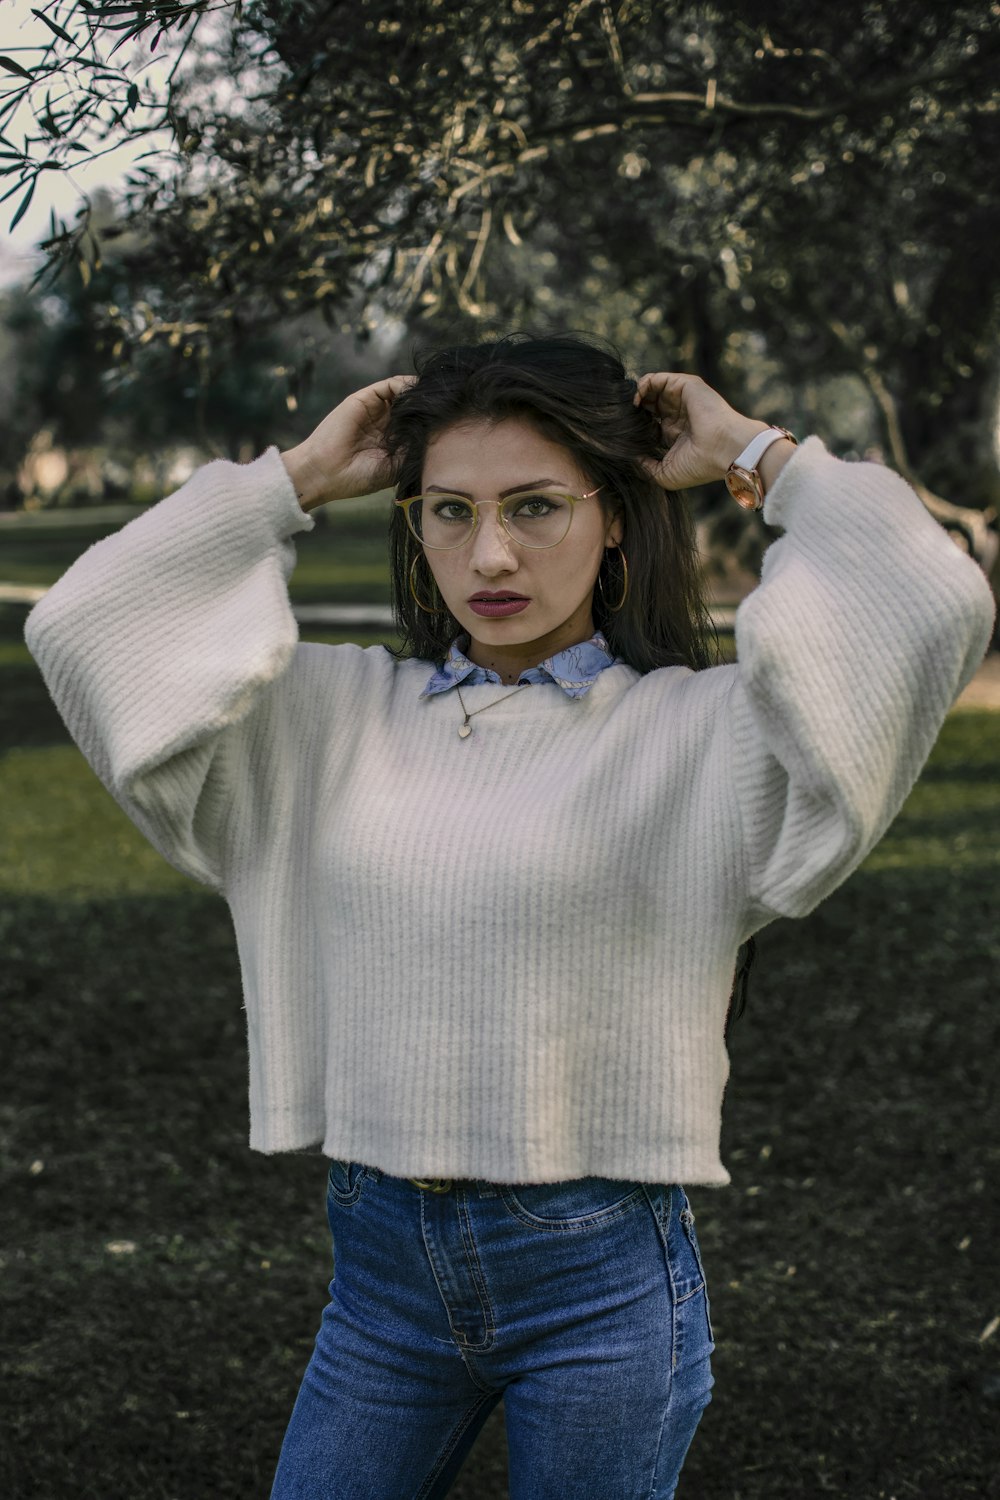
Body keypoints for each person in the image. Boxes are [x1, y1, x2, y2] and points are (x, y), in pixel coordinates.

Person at [23, 332, 995, 1499]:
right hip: (380, 1288)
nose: (487, 554)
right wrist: (296, 478)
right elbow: (83, 627)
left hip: (598, 1287)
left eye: (536, 507)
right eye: (447, 510)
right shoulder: (325, 720)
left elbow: (931, 598)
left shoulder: (705, 736)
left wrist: (753, 450)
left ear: (616, 516)